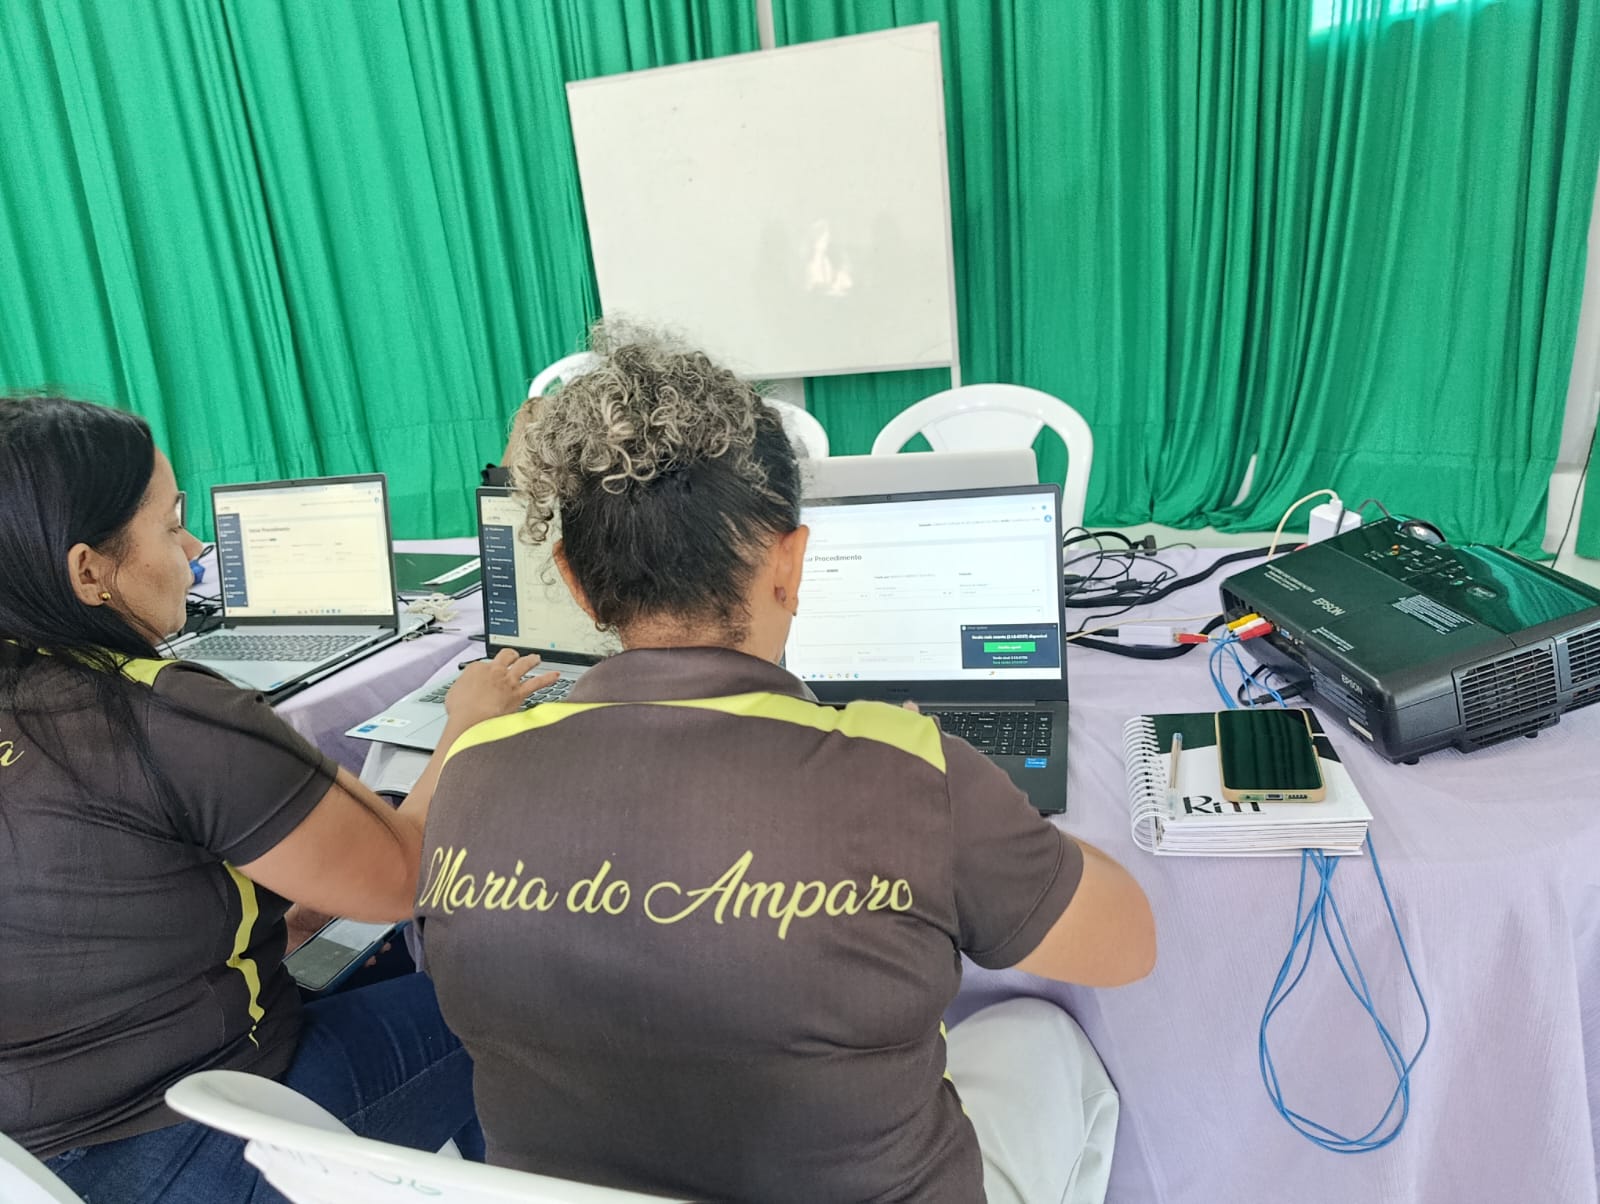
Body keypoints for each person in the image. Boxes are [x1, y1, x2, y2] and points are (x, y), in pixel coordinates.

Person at [416, 327, 1157, 1203]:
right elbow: (1127, 946)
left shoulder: (467, 770)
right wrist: (963, 800)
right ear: (790, 563)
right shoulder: (907, 771)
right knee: (1042, 1031)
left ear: (575, 581)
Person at [0, 395, 553, 1202]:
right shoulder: (161, 715)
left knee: (349, 951)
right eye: (171, 525)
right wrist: (465, 726)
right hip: (195, 1144)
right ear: (88, 571)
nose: (194, 551)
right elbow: (404, 876)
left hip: (30, 1164)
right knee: (519, 988)